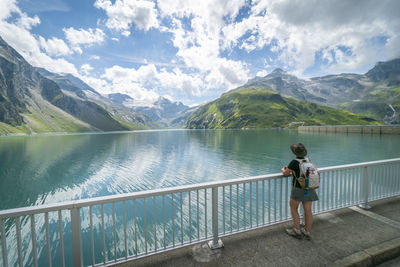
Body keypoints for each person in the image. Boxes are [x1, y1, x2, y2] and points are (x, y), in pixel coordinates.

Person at [281, 143, 319, 240]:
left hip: (298, 189)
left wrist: (283, 169)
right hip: (309, 188)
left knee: (294, 208)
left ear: (295, 152)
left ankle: (296, 230)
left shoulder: (294, 162)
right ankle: (306, 231)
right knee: (308, 210)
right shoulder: (308, 160)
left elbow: (286, 173)